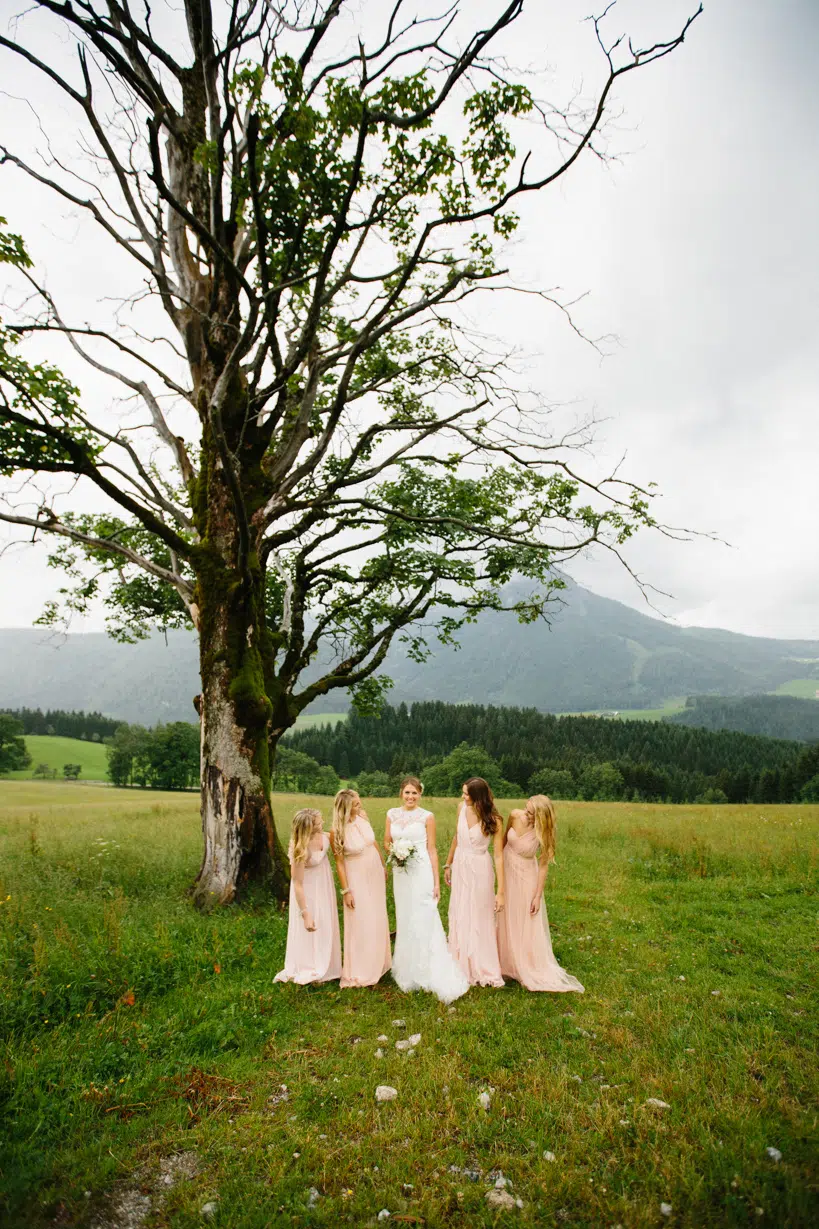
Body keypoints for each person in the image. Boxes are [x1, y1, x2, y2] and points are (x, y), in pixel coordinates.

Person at [385, 776, 469, 1004]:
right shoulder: (391, 814)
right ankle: (407, 967)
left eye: (414, 793)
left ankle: (427, 967)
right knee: (405, 916)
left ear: (420, 794)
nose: (410, 797)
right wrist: (396, 850)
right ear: (401, 793)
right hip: (400, 872)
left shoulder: (427, 817)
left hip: (421, 870)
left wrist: (436, 882)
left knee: (424, 914)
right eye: (407, 793)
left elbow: (432, 849)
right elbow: (386, 841)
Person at [497, 795, 584, 993]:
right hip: (508, 874)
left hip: (526, 878)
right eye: (526, 810)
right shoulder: (514, 815)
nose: (526, 815)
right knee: (504, 915)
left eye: (532, 814)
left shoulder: (544, 832)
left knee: (523, 920)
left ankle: (523, 963)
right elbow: (501, 844)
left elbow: (543, 866)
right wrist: (497, 872)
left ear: (542, 817)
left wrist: (537, 895)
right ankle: (505, 960)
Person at [443, 777, 505, 987]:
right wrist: (448, 863)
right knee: (461, 910)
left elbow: (498, 856)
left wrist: (501, 892)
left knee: (479, 913)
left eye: (466, 794)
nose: (463, 797)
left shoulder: (495, 820)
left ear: (478, 796)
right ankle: (460, 961)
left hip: (480, 869)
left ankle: (481, 963)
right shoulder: (462, 808)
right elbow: (457, 837)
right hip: (460, 865)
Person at [330, 788, 391, 988]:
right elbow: (339, 863)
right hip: (355, 875)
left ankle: (379, 961)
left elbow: (373, 843)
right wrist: (346, 891)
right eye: (356, 804)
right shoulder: (336, 831)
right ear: (345, 807)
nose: (360, 805)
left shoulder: (362, 817)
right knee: (361, 919)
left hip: (374, 871)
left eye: (359, 802)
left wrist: (382, 865)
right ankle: (361, 968)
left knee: (376, 915)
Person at [275, 807, 341, 985]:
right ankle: (309, 966)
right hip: (307, 891)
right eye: (319, 822)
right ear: (308, 827)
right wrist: (305, 913)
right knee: (311, 925)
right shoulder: (299, 848)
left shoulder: (325, 836)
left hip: (324, 886)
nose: (322, 823)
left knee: (326, 922)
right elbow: (297, 883)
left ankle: (329, 965)